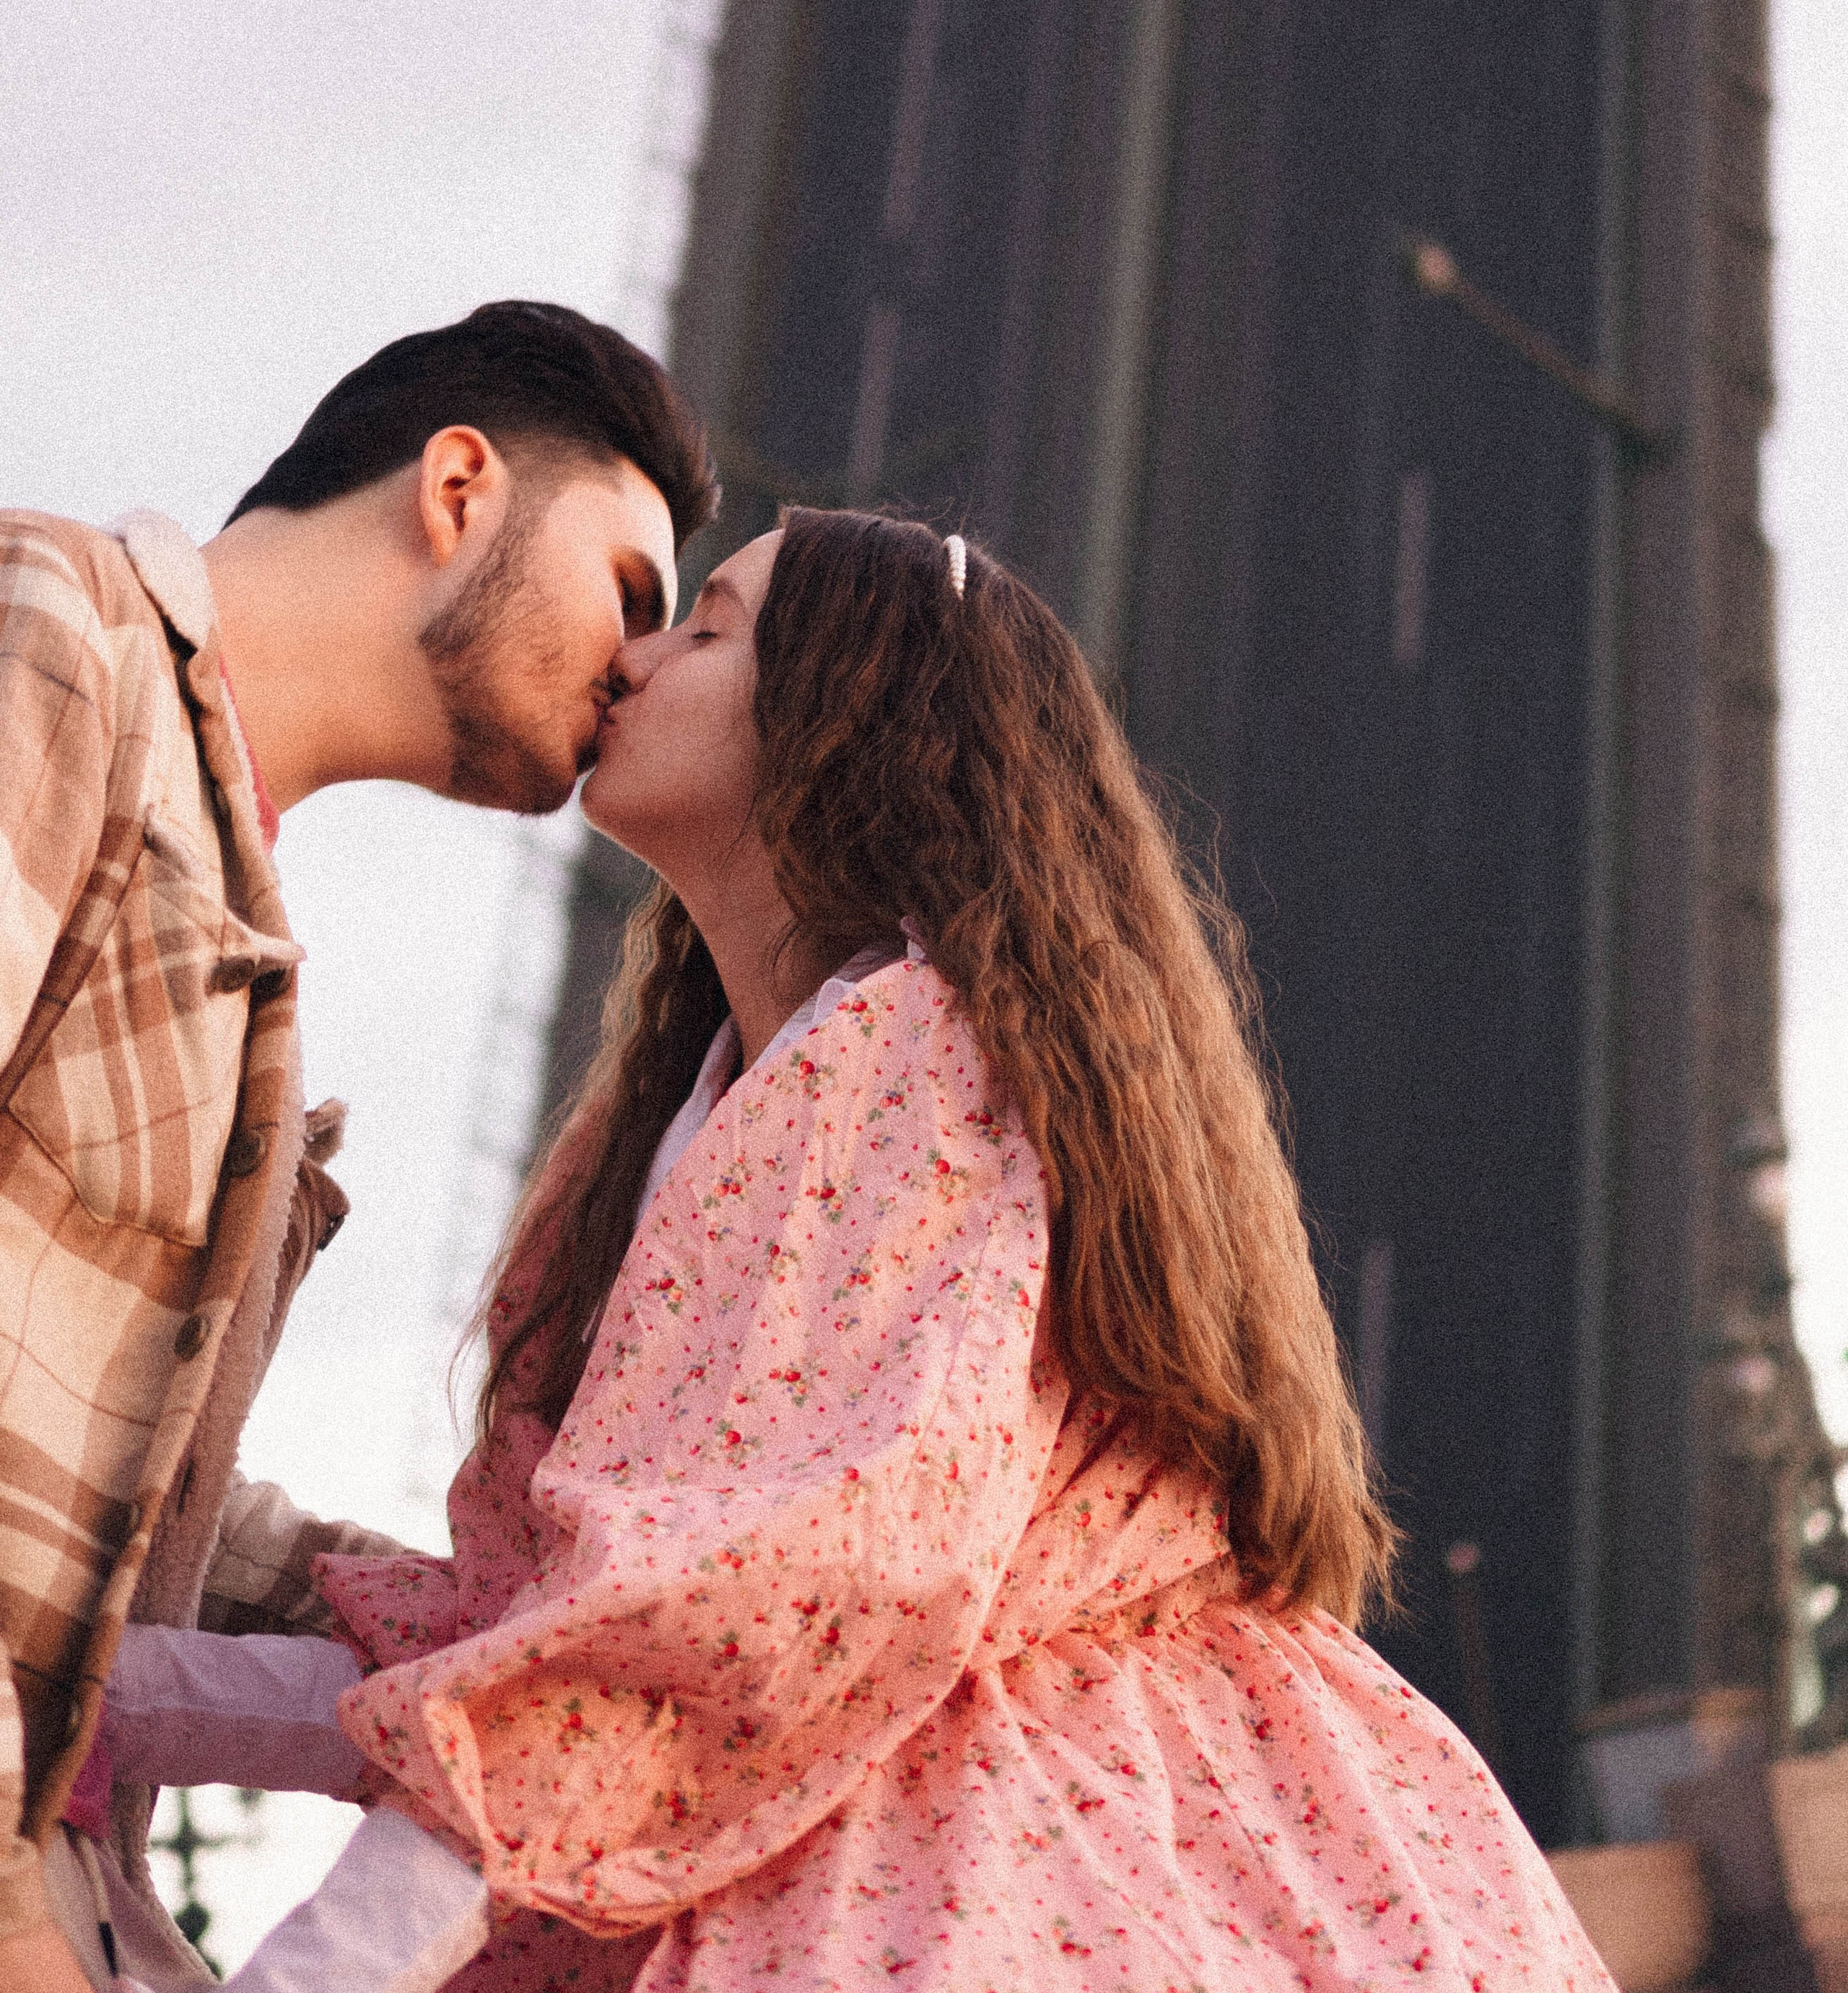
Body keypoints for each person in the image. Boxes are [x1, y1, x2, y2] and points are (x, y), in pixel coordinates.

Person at [108, 508, 1611, 1992]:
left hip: (1006, 1834)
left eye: (709, 627)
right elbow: (545, 1659)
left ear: (850, 714)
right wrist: (100, 1701)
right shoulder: (683, 1128)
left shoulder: (909, 1055)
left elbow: (746, 1604)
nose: (630, 662)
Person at [0, 300, 716, 1993]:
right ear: (458, 487)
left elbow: (138, 1499)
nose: (636, 666)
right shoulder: (58, 641)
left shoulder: (245, 912)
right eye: (629, 589)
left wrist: (500, 1632)